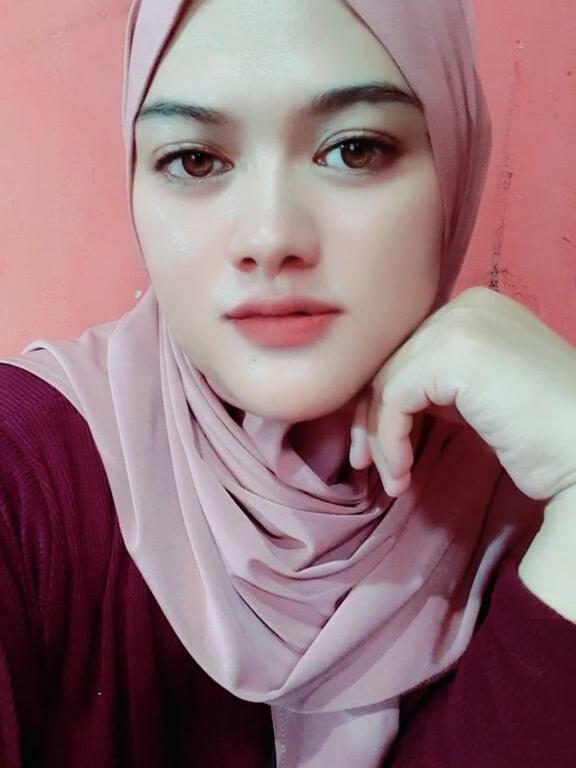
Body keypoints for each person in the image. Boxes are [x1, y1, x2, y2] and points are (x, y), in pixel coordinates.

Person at [0, 0, 575, 765]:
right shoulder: (26, 473)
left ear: (456, 157)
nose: (270, 238)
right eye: (195, 160)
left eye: (355, 150)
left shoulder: (531, 489)